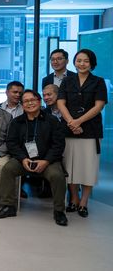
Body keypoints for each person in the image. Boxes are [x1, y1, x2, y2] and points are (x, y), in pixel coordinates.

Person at [0, 90, 68, 226]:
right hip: (24, 160)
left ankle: (59, 211)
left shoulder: (52, 120)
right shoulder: (17, 122)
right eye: (26, 101)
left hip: (47, 161)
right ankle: (8, 206)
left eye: (33, 100)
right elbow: (12, 143)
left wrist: (46, 161)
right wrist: (23, 159)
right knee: (8, 169)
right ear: (22, 105)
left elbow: (58, 144)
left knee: (57, 175)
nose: (30, 103)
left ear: (39, 102)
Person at [57, 49, 107, 218]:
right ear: (74, 62)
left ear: (91, 63)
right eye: (79, 60)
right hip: (69, 130)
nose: (82, 64)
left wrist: (78, 122)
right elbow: (61, 103)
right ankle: (74, 199)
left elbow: (99, 106)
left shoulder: (98, 82)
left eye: (86, 61)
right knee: (70, 166)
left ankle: (84, 202)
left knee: (88, 167)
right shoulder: (67, 81)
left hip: (90, 130)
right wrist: (71, 122)